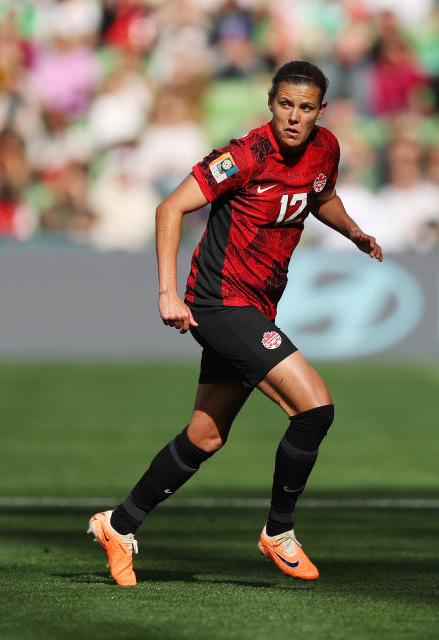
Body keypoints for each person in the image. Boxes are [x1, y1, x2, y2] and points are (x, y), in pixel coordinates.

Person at [87, 60, 383, 586]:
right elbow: (169, 208)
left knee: (205, 437)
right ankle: (279, 532)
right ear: (271, 103)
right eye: (286, 105)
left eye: (306, 108)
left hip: (257, 305)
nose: (294, 117)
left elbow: (319, 195)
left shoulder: (326, 149)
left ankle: (119, 523)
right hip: (220, 302)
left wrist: (353, 231)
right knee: (314, 409)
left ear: (321, 111)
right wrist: (167, 292)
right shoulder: (243, 157)